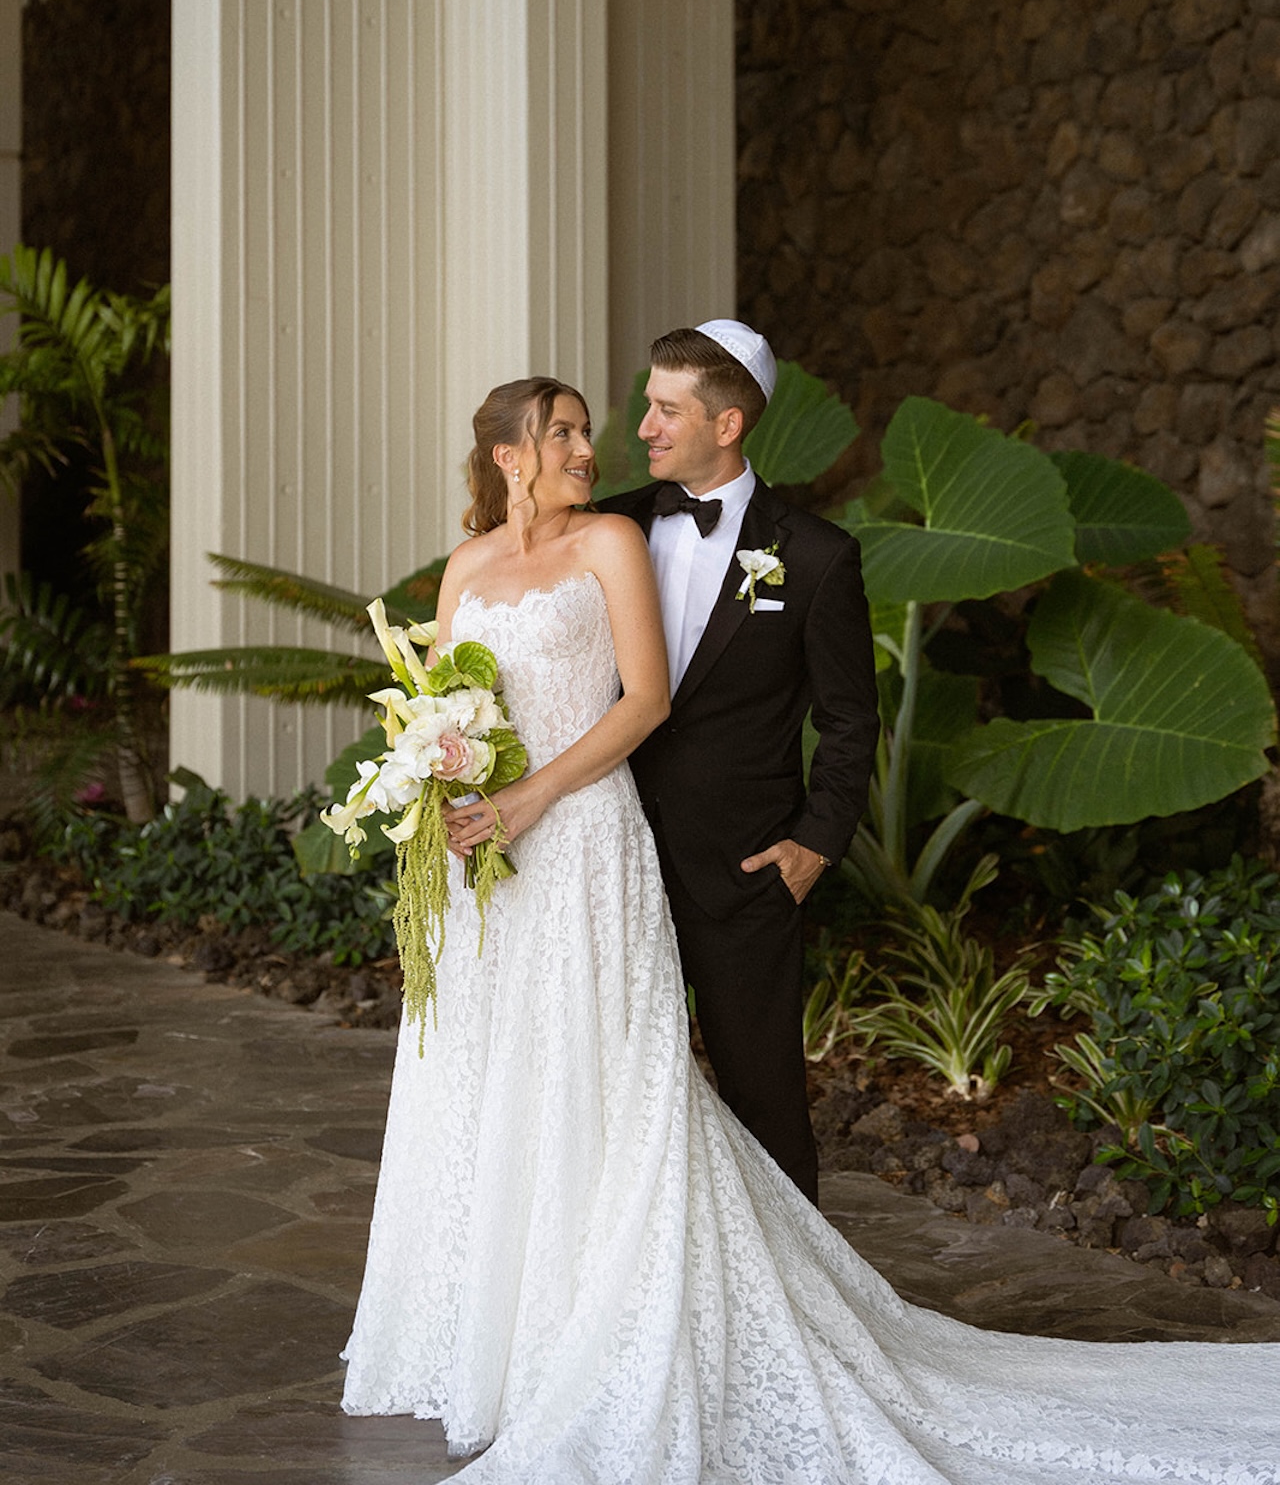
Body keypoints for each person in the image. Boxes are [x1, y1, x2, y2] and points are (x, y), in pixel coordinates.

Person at [341, 372, 1280, 1484]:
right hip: (486, 859)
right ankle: (479, 1338)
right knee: (491, 1076)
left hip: (583, 835)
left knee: (601, 1079)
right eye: (565, 433)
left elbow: (643, 701)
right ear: (508, 458)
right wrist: (439, 775)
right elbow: (446, 694)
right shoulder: (463, 568)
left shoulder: (610, 546)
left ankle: (598, 1331)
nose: (593, 448)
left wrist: (533, 795)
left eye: (593, 429)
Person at [598, 321, 879, 1201]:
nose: (643, 426)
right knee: (612, 1091)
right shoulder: (609, 529)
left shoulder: (819, 556)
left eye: (665, 410)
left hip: (747, 865)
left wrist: (815, 844)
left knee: (762, 1093)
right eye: (649, 404)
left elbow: (850, 719)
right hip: (607, 851)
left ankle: (792, 1308)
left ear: (726, 426)